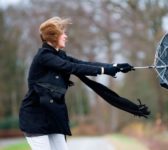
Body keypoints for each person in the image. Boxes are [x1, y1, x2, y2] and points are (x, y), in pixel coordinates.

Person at [19, 17, 134, 150]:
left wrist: (115, 66)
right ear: (54, 36)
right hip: (35, 118)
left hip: (53, 116)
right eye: (63, 33)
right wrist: (105, 70)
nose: (66, 36)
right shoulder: (44, 56)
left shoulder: (59, 55)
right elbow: (72, 67)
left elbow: (82, 64)